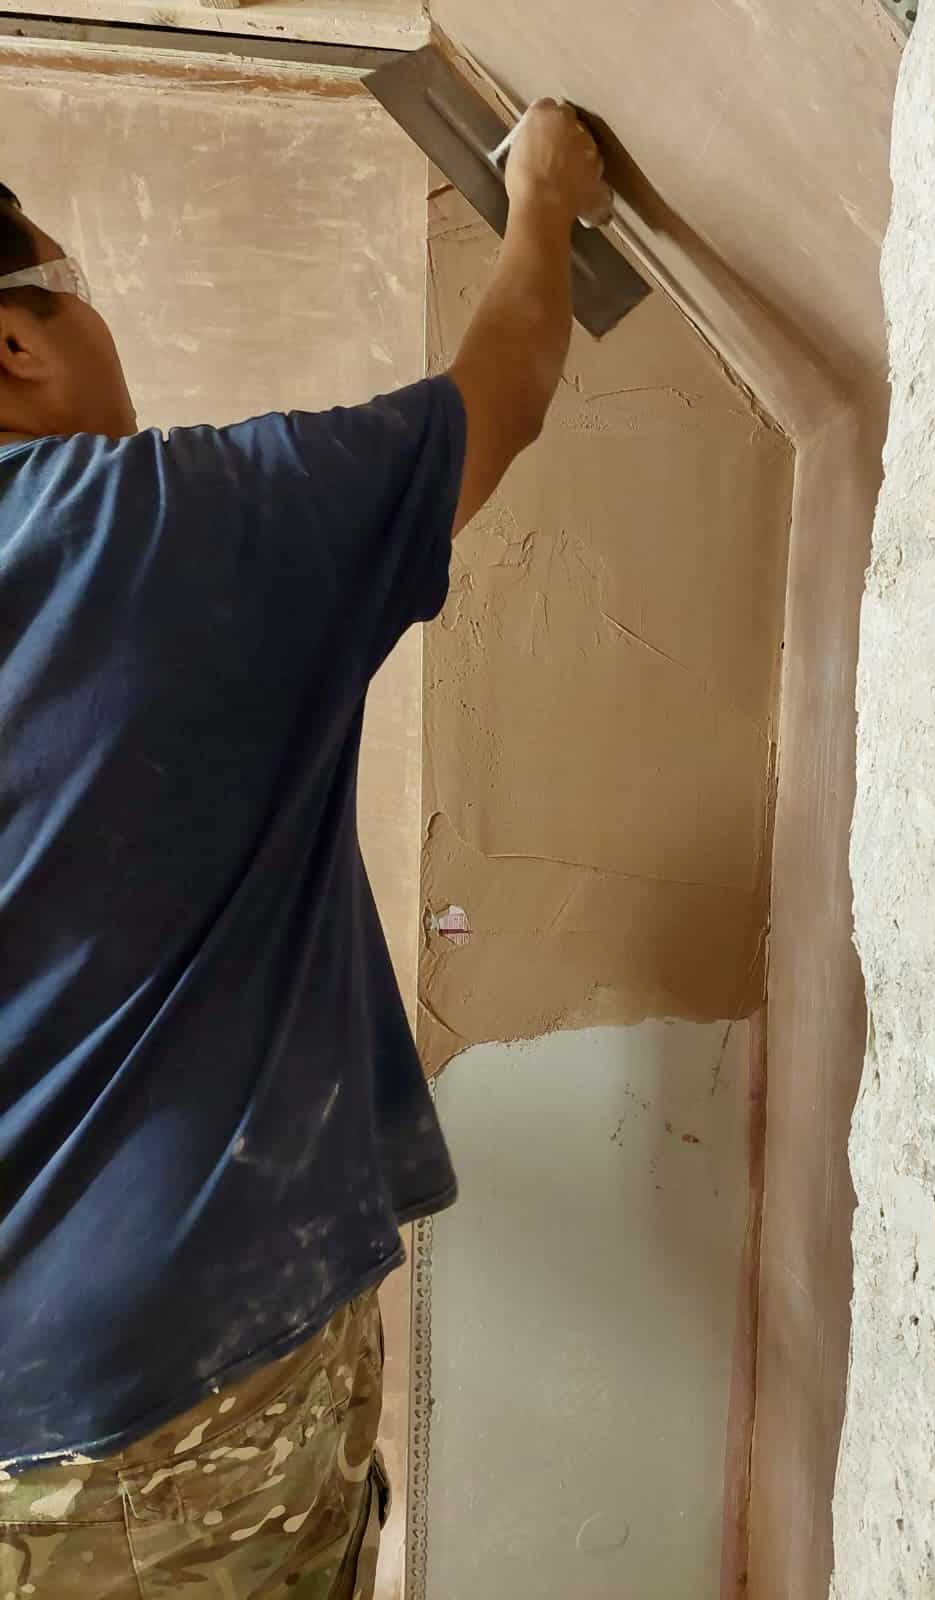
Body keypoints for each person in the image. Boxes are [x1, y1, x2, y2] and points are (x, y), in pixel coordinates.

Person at [0, 101, 608, 1599]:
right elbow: (495, 400)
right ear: (18, 342)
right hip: (155, 1397)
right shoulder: (149, 527)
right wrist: (545, 199)